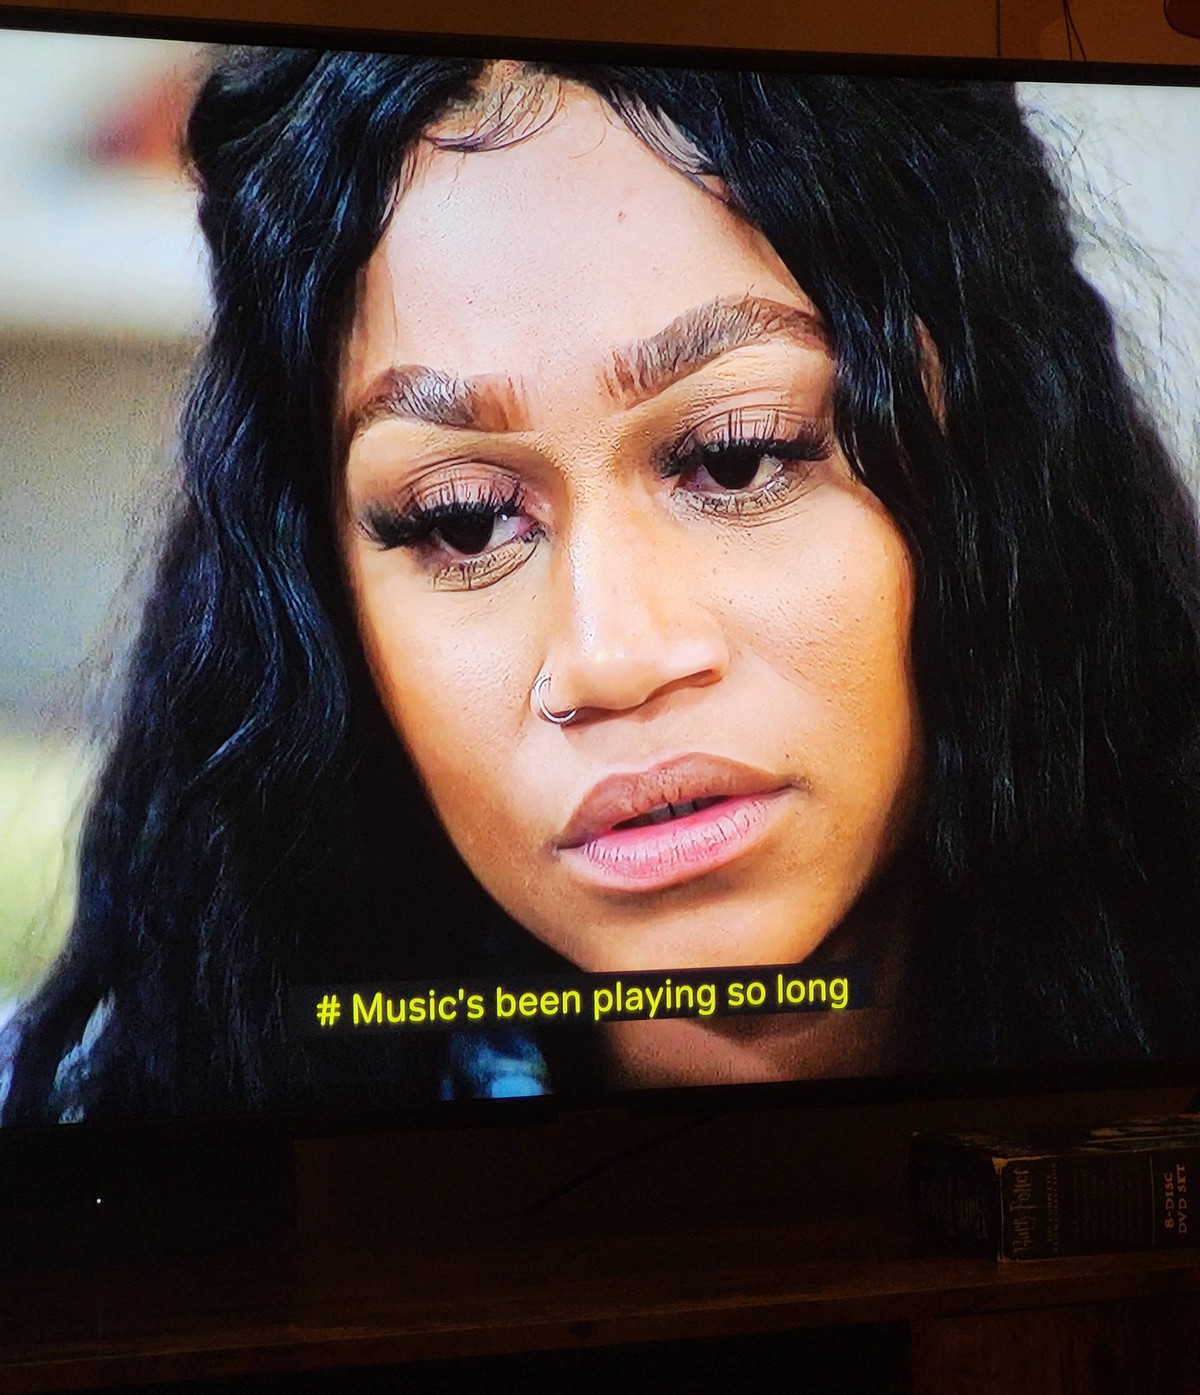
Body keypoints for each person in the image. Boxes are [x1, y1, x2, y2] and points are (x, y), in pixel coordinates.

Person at [3, 49, 1200, 1124]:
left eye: (739, 458)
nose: (610, 657)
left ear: (1001, 460)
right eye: (463, 523)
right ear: (320, 598)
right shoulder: (104, 1173)